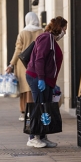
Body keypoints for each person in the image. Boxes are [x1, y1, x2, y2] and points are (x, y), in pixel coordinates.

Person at [26, 16, 68, 148]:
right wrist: (41, 78)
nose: (65, 32)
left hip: (45, 79)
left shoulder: (51, 40)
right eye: (64, 29)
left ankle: (43, 136)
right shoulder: (46, 38)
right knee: (39, 105)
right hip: (37, 78)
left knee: (46, 107)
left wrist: (51, 82)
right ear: (58, 28)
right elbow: (40, 59)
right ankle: (33, 137)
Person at [6, 12, 43, 121]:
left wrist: (11, 64)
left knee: (24, 88)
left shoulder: (23, 33)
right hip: (36, 63)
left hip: (23, 64)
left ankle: (24, 112)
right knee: (34, 88)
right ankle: (34, 110)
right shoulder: (42, 32)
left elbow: (18, 50)